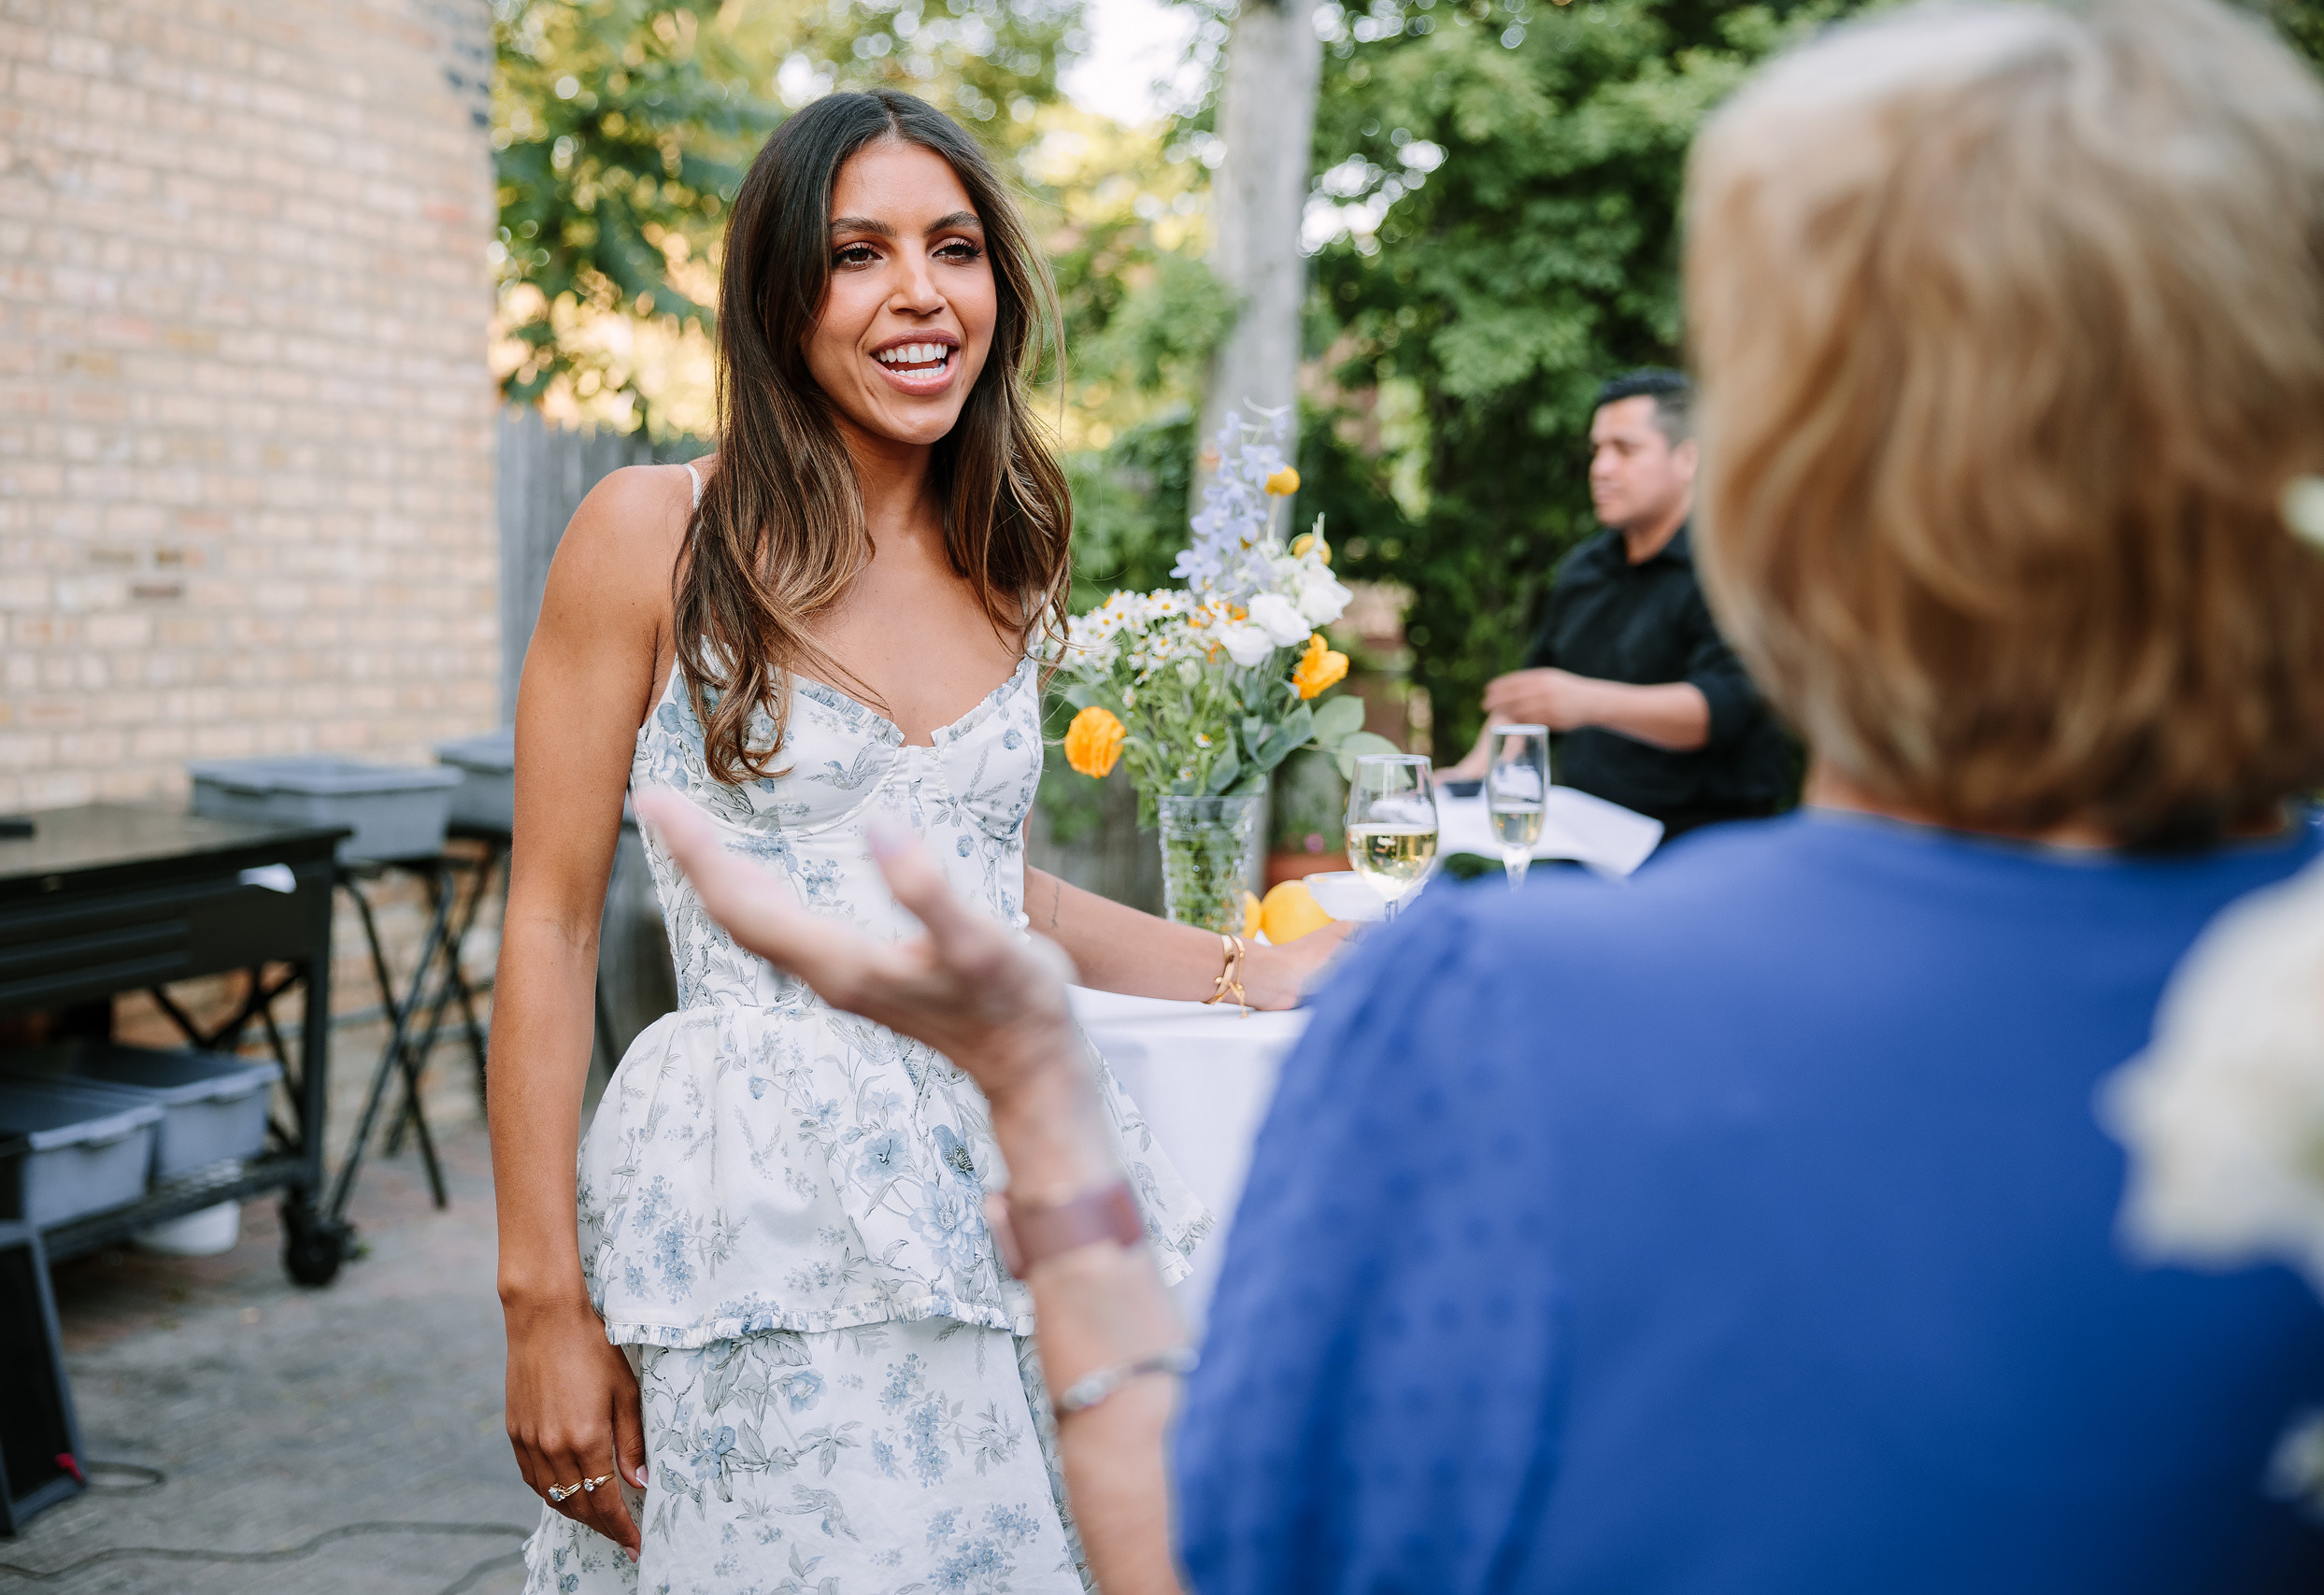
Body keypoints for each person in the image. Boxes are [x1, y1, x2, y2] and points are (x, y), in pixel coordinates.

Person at [640, 1, 2324, 1590]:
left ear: (1793, 484)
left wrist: (1048, 1118)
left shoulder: (1496, 1014)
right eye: (857, 252)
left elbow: (1221, 1557)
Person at [486, 91, 1345, 1591]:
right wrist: (540, 1298)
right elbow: (550, 928)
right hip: (758, 1207)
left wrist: (1242, 968)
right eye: (857, 253)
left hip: (1007, 1176)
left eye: (953, 247)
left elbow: (991, 890)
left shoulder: (1011, 554)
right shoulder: (649, 535)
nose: (919, 294)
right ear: (778, 294)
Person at [1441, 369, 1789, 839]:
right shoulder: (1583, 568)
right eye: (1596, 450)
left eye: (1624, 449)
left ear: (1688, 459)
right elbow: (1531, 701)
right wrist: (1468, 775)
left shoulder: (1735, 569)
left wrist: (1584, 701)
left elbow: (1720, 710)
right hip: (1581, 843)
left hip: (1706, 848)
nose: (1600, 468)